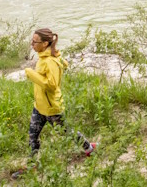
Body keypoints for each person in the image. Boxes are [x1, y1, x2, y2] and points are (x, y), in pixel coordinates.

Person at [24, 28, 96, 158]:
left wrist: (31, 73)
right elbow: (64, 63)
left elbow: (52, 85)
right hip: (39, 106)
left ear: (45, 43)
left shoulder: (50, 60)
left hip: (51, 108)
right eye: (32, 41)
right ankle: (32, 165)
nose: (32, 44)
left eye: (35, 42)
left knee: (67, 132)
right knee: (32, 136)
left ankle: (89, 148)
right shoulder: (46, 56)